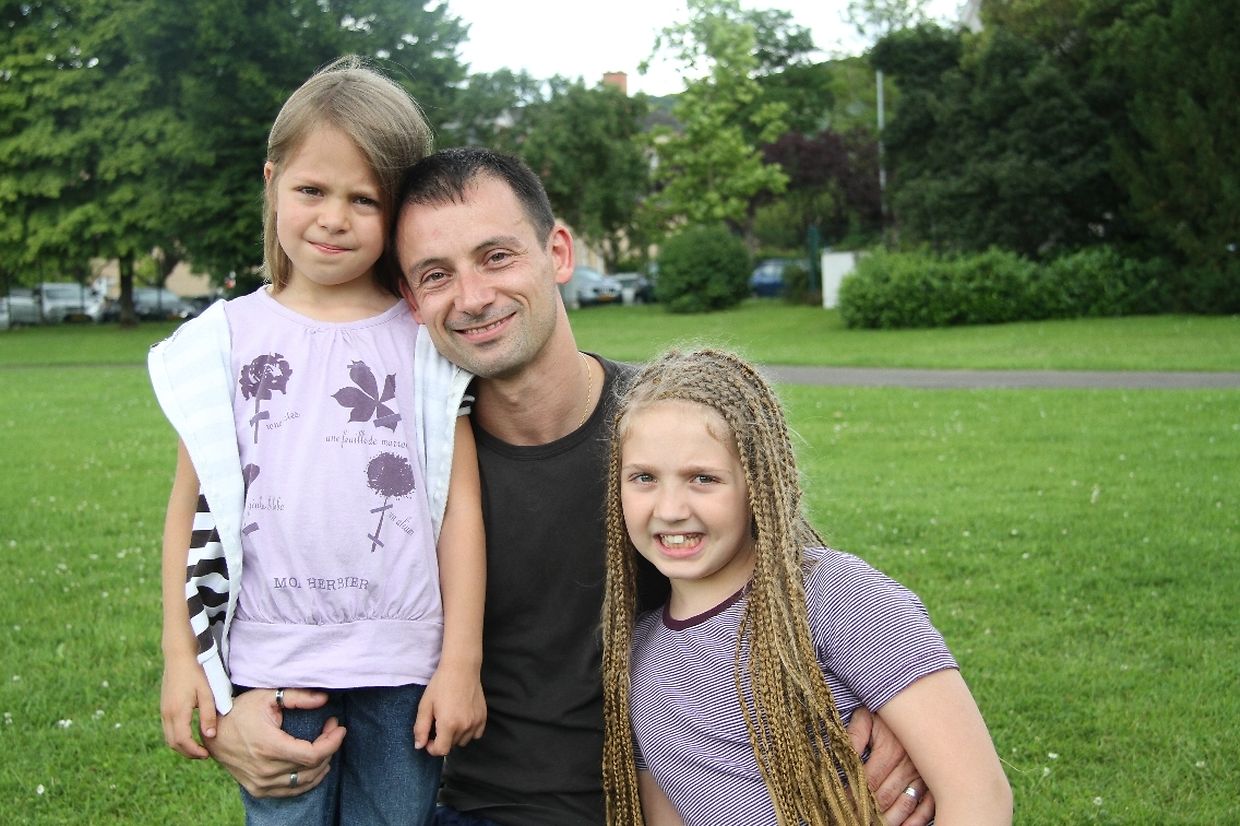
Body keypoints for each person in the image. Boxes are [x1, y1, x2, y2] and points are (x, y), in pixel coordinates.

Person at [199, 146, 937, 826]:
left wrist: (878, 717)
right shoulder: (394, 463)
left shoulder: (665, 430)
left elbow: (789, 585)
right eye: (436, 275)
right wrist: (233, 716)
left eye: (496, 257)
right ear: (410, 298)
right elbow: (306, 607)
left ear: (557, 252)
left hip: (670, 801)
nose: (472, 297)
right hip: (470, 808)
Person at [148, 57, 486, 826]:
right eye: (312, 190)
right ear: (272, 183)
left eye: (364, 199)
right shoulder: (220, 342)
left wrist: (461, 660)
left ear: (399, 212)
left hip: (405, 668)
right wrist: (181, 656)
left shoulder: (429, 344)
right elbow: (190, 508)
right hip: (273, 666)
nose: (334, 218)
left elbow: (460, 511)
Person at [600, 348, 1013, 826]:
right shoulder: (637, 651)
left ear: (758, 484)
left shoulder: (836, 595)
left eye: (703, 478)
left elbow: (979, 795)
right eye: (644, 478)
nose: (670, 509)